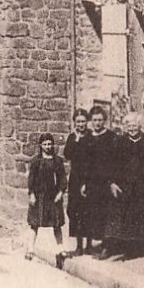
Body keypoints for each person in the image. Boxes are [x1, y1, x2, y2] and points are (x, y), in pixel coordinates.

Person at [105, 111, 144, 258]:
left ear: (140, 126)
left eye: (135, 126)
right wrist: (112, 182)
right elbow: (111, 164)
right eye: (129, 126)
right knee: (127, 217)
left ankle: (143, 248)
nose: (132, 129)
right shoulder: (119, 142)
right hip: (125, 186)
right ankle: (129, 249)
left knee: (143, 215)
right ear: (126, 127)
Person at [79, 104, 119, 258]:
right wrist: (83, 183)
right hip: (92, 183)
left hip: (106, 182)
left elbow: (116, 162)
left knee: (106, 214)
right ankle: (101, 244)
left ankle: (107, 248)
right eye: (95, 120)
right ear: (91, 121)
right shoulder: (87, 138)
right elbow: (85, 163)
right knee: (94, 214)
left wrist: (113, 182)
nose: (97, 123)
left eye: (100, 120)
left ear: (104, 121)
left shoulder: (111, 137)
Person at [26, 133, 66, 266]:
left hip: (53, 197)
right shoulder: (36, 161)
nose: (47, 147)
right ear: (41, 145)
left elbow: (62, 179)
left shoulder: (58, 161)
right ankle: (30, 248)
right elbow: (31, 179)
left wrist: (60, 192)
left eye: (49, 144)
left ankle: (60, 249)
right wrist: (32, 194)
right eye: (45, 144)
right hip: (39, 196)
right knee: (34, 223)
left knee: (57, 224)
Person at [63, 108, 90, 255]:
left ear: (87, 122)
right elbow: (67, 155)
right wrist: (76, 142)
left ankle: (89, 244)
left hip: (88, 177)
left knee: (88, 210)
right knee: (74, 210)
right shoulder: (72, 137)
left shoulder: (91, 137)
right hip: (75, 178)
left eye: (83, 121)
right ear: (75, 123)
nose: (81, 124)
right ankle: (79, 244)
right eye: (78, 122)